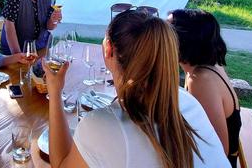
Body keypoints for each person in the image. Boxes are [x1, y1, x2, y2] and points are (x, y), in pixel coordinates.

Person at [43, 10, 230, 168]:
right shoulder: (187, 101)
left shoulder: (103, 126)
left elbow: (60, 165)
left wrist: (55, 92)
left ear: (109, 49)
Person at [168, 9, 241, 168]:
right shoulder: (201, 70)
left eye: (166, 32)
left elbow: (216, 150)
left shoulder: (201, 80)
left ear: (185, 38)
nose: (160, 37)